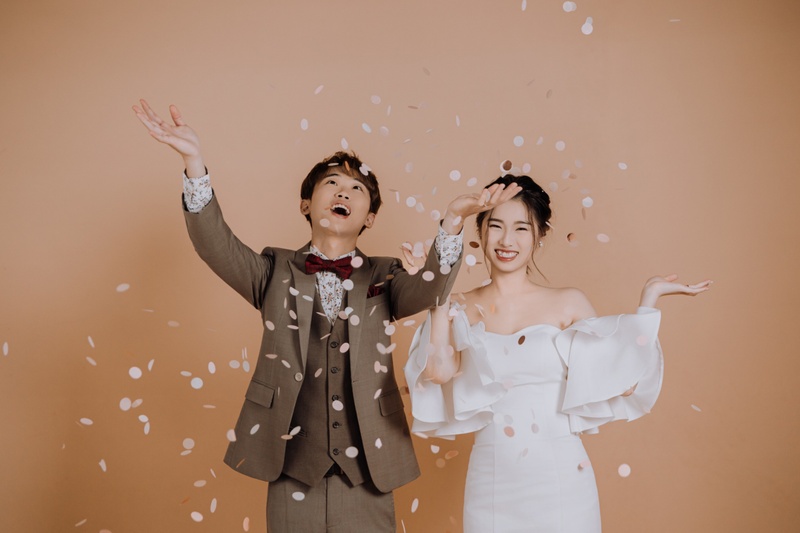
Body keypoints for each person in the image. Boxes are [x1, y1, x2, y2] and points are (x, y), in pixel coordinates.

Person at [131, 100, 522, 532]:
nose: (342, 192)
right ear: (305, 204)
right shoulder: (273, 270)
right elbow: (215, 246)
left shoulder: (386, 274)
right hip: (291, 462)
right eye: (331, 183)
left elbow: (430, 288)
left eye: (356, 188)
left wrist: (452, 221)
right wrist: (194, 163)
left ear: (370, 217)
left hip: (369, 465)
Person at [404, 174, 711, 532]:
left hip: (562, 481)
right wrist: (436, 296)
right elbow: (439, 372)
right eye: (496, 226)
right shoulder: (460, 305)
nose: (507, 240)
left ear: (540, 235)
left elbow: (624, 384)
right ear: (481, 231)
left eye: (521, 228)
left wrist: (648, 302)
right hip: (491, 483)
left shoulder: (568, 303)